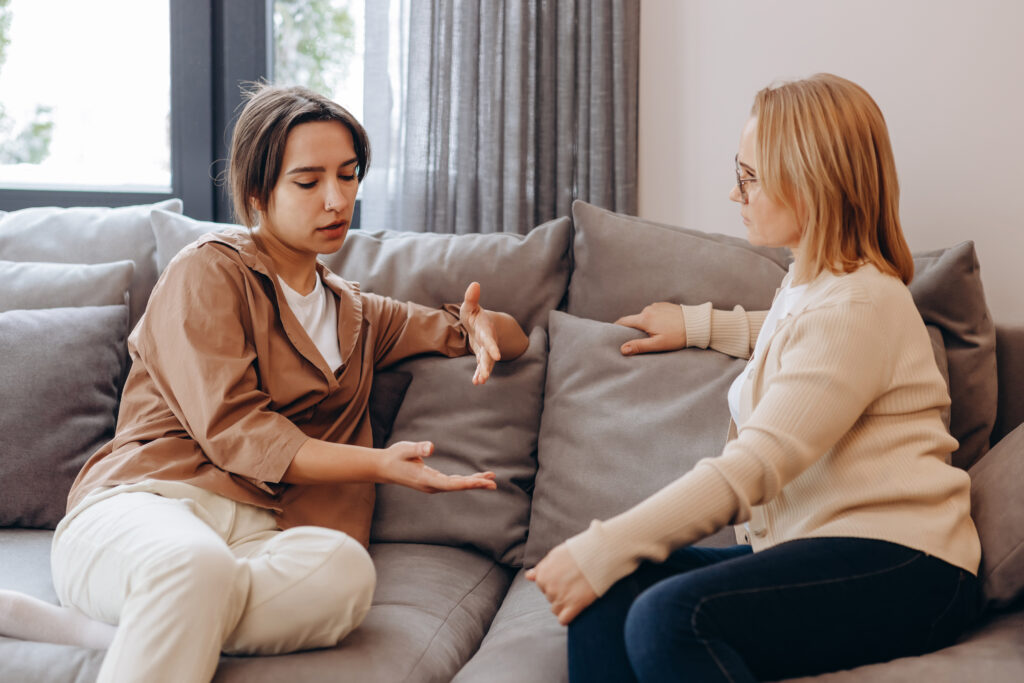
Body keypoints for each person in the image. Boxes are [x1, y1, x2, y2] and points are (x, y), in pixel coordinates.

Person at [0, 84, 529, 683]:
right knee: (191, 565)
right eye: (308, 182)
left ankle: (121, 628)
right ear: (258, 193)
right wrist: (377, 464)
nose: (336, 199)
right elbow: (237, 432)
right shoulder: (208, 270)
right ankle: (163, 605)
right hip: (147, 504)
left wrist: (487, 326)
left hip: (261, 535)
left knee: (344, 574)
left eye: (348, 175)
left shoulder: (358, 313)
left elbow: (484, 334)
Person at [526, 73, 981, 682]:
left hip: (908, 565)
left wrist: (605, 543)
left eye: (750, 177)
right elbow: (792, 338)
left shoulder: (859, 305)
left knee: (668, 616)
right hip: (816, 550)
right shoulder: (812, 287)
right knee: (606, 595)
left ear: (811, 182)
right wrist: (695, 325)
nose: (736, 194)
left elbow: (757, 464)